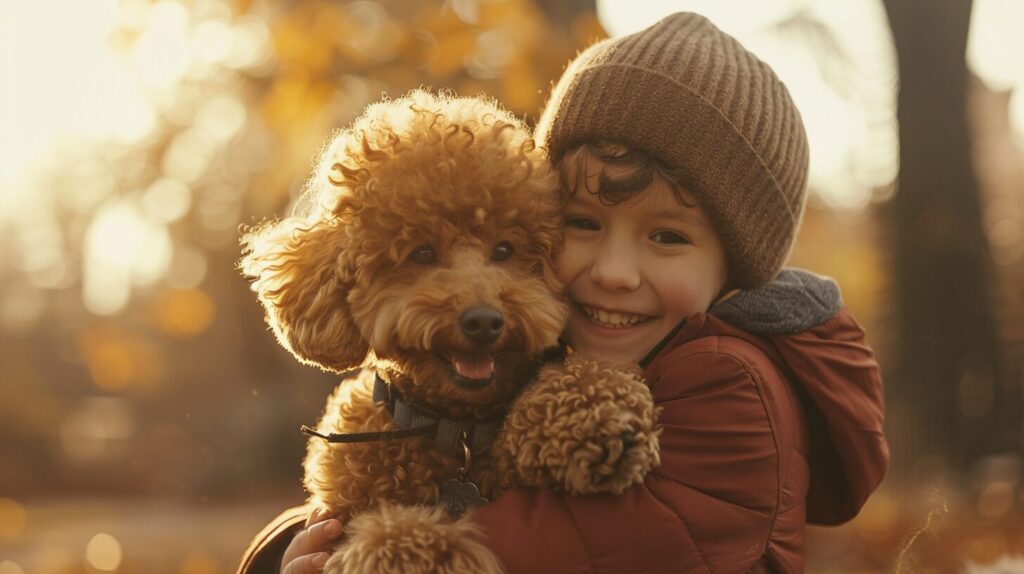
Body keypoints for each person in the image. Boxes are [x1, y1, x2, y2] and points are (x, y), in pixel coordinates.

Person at [237, 12, 888, 574]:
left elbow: (568, 548)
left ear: (738, 267)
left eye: (666, 237)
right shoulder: (576, 354)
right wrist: (295, 550)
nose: (613, 271)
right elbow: (328, 522)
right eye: (581, 225)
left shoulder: (733, 385)